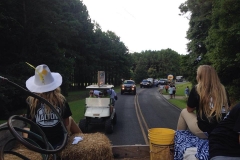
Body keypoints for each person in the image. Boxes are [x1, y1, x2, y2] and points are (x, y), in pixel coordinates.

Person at [25, 64, 82, 149]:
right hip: (58, 143)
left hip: (38, 144)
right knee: (69, 119)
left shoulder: (31, 101)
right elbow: (66, 123)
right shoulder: (61, 100)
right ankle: (83, 138)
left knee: (25, 130)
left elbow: (31, 123)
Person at [177, 65, 231, 138]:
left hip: (204, 131)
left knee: (184, 111)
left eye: (197, 74)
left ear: (200, 76)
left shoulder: (197, 89)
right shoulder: (222, 90)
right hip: (221, 130)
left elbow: (189, 109)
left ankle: (178, 139)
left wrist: (201, 105)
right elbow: (228, 108)